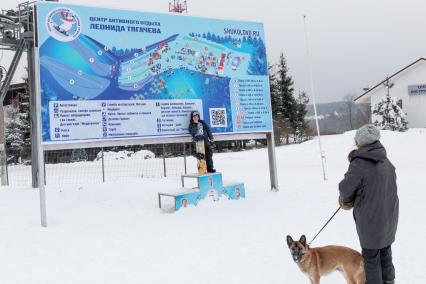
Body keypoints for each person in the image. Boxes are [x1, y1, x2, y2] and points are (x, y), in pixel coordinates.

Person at [339, 124, 399, 284]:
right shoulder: (386, 161)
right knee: (386, 252)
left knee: (371, 257)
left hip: (371, 220)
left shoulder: (359, 163)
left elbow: (346, 188)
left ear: (361, 142)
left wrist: (345, 201)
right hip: (389, 218)